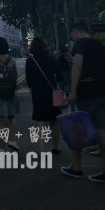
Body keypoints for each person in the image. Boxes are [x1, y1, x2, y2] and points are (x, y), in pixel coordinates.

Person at [61, 22, 105, 182]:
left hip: (86, 92)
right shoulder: (99, 45)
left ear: (76, 32)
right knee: (102, 129)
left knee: (77, 128)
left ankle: (77, 168)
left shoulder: (80, 44)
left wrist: (73, 91)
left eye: (72, 34)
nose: (72, 37)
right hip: (102, 91)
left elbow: (77, 66)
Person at [25, 37, 63, 154]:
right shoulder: (51, 58)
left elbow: (29, 82)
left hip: (37, 94)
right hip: (52, 93)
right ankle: (55, 148)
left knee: (40, 121)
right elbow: (60, 76)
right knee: (53, 121)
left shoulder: (30, 60)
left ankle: (42, 150)